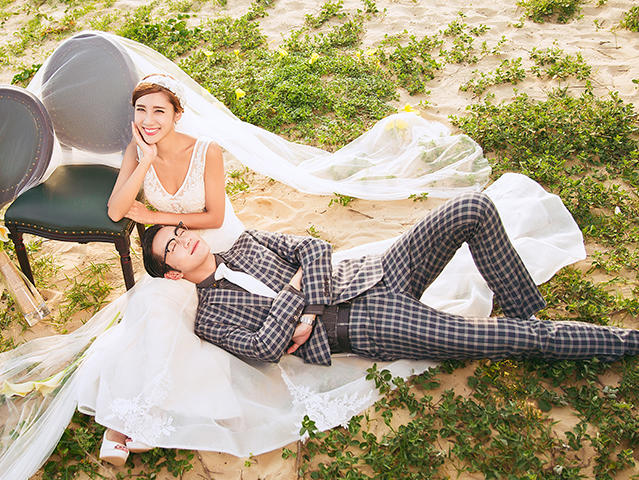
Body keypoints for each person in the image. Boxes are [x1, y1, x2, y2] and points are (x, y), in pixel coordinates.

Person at [143, 192, 638, 365]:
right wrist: (301, 293)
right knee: (501, 339)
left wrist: (304, 307)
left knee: (472, 207)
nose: (184, 240)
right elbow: (263, 349)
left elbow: (315, 248)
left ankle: (524, 309)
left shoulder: (246, 242)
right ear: (173, 271)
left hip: (376, 272)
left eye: (180, 231)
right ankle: (625, 343)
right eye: (172, 246)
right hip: (364, 324)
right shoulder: (209, 317)